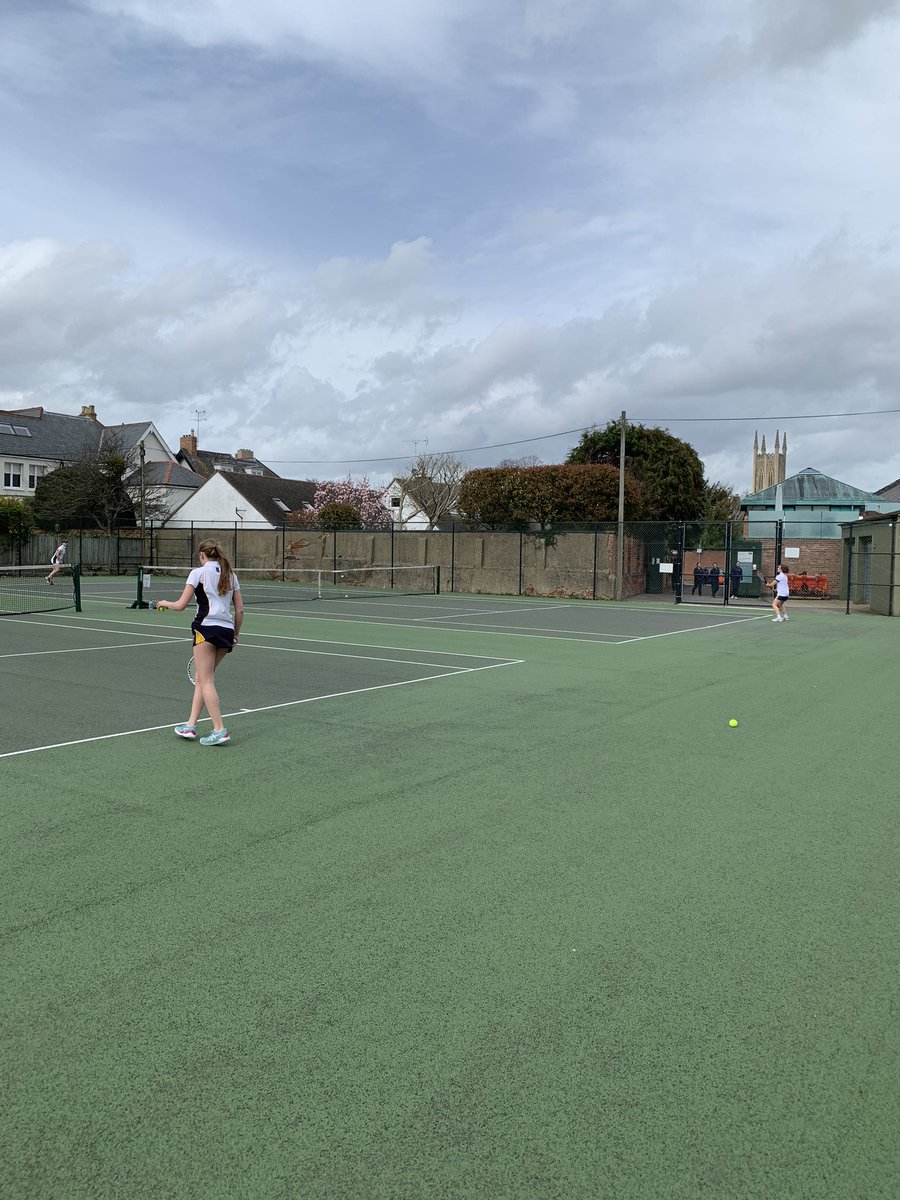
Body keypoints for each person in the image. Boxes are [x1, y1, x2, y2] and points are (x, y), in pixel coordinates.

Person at [156, 540, 244, 745]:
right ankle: (191, 725)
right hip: (226, 631)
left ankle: (219, 729)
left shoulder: (198, 573)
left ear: (202, 556)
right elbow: (239, 610)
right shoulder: (231, 575)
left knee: (206, 681)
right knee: (202, 678)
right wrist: (236, 634)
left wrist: (164, 603)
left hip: (205, 629)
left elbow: (180, 605)